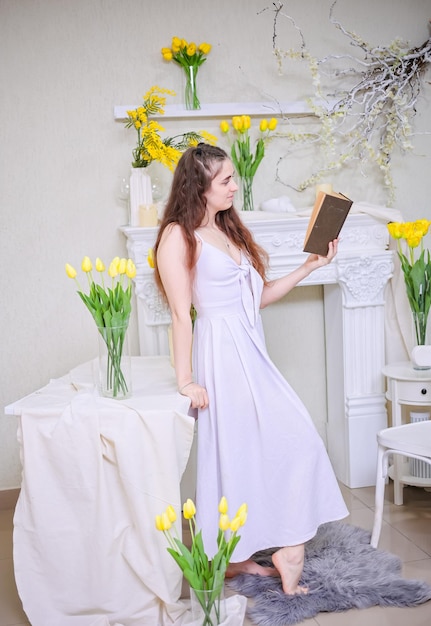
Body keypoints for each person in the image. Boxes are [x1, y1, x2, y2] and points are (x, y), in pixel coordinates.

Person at [154, 143, 349, 595]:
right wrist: (186, 379)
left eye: (233, 177)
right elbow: (182, 315)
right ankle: (283, 550)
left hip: (250, 350)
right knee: (257, 446)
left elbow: (254, 298)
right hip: (221, 357)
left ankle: (236, 558)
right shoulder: (177, 237)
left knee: (257, 448)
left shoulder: (225, 229)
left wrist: (309, 267)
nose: (235, 186)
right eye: (225, 180)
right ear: (198, 185)